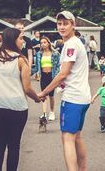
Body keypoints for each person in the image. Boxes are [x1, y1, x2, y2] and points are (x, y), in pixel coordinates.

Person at [0, 28, 41, 171]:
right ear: (13, 40)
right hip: (17, 109)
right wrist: (37, 98)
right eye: (21, 38)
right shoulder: (21, 60)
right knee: (14, 146)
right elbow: (27, 88)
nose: (23, 41)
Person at [38, 11, 91, 171]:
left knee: (67, 138)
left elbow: (63, 73)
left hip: (73, 98)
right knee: (77, 137)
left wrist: (44, 92)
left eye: (65, 23)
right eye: (59, 23)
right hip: (83, 97)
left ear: (73, 25)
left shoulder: (71, 44)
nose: (61, 27)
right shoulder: (74, 43)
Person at [35, 36, 60, 121]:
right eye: (41, 43)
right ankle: (44, 113)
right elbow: (36, 67)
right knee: (43, 95)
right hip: (43, 76)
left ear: (49, 43)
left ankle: (52, 112)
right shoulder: (39, 54)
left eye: (45, 42)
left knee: (51, 95)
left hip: (51, 76)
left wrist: (56, 76)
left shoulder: (55, 53)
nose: (43, 44)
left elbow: (58, 66)